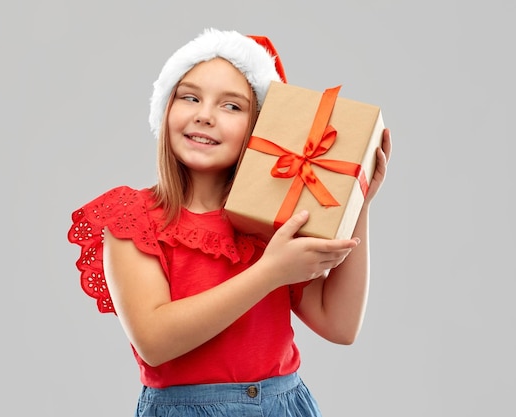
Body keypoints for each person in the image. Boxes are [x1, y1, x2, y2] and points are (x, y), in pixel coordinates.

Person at [68, 27, 392, 416]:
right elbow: (154, 341)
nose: (204, 116)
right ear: (166, 109)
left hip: (283, 405)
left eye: (232, 106)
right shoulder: (132, 216)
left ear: (259, 128)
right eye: (190, 97)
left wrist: (357, 205)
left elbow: (339, 325)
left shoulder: (269, 221)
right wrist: (270, 272)